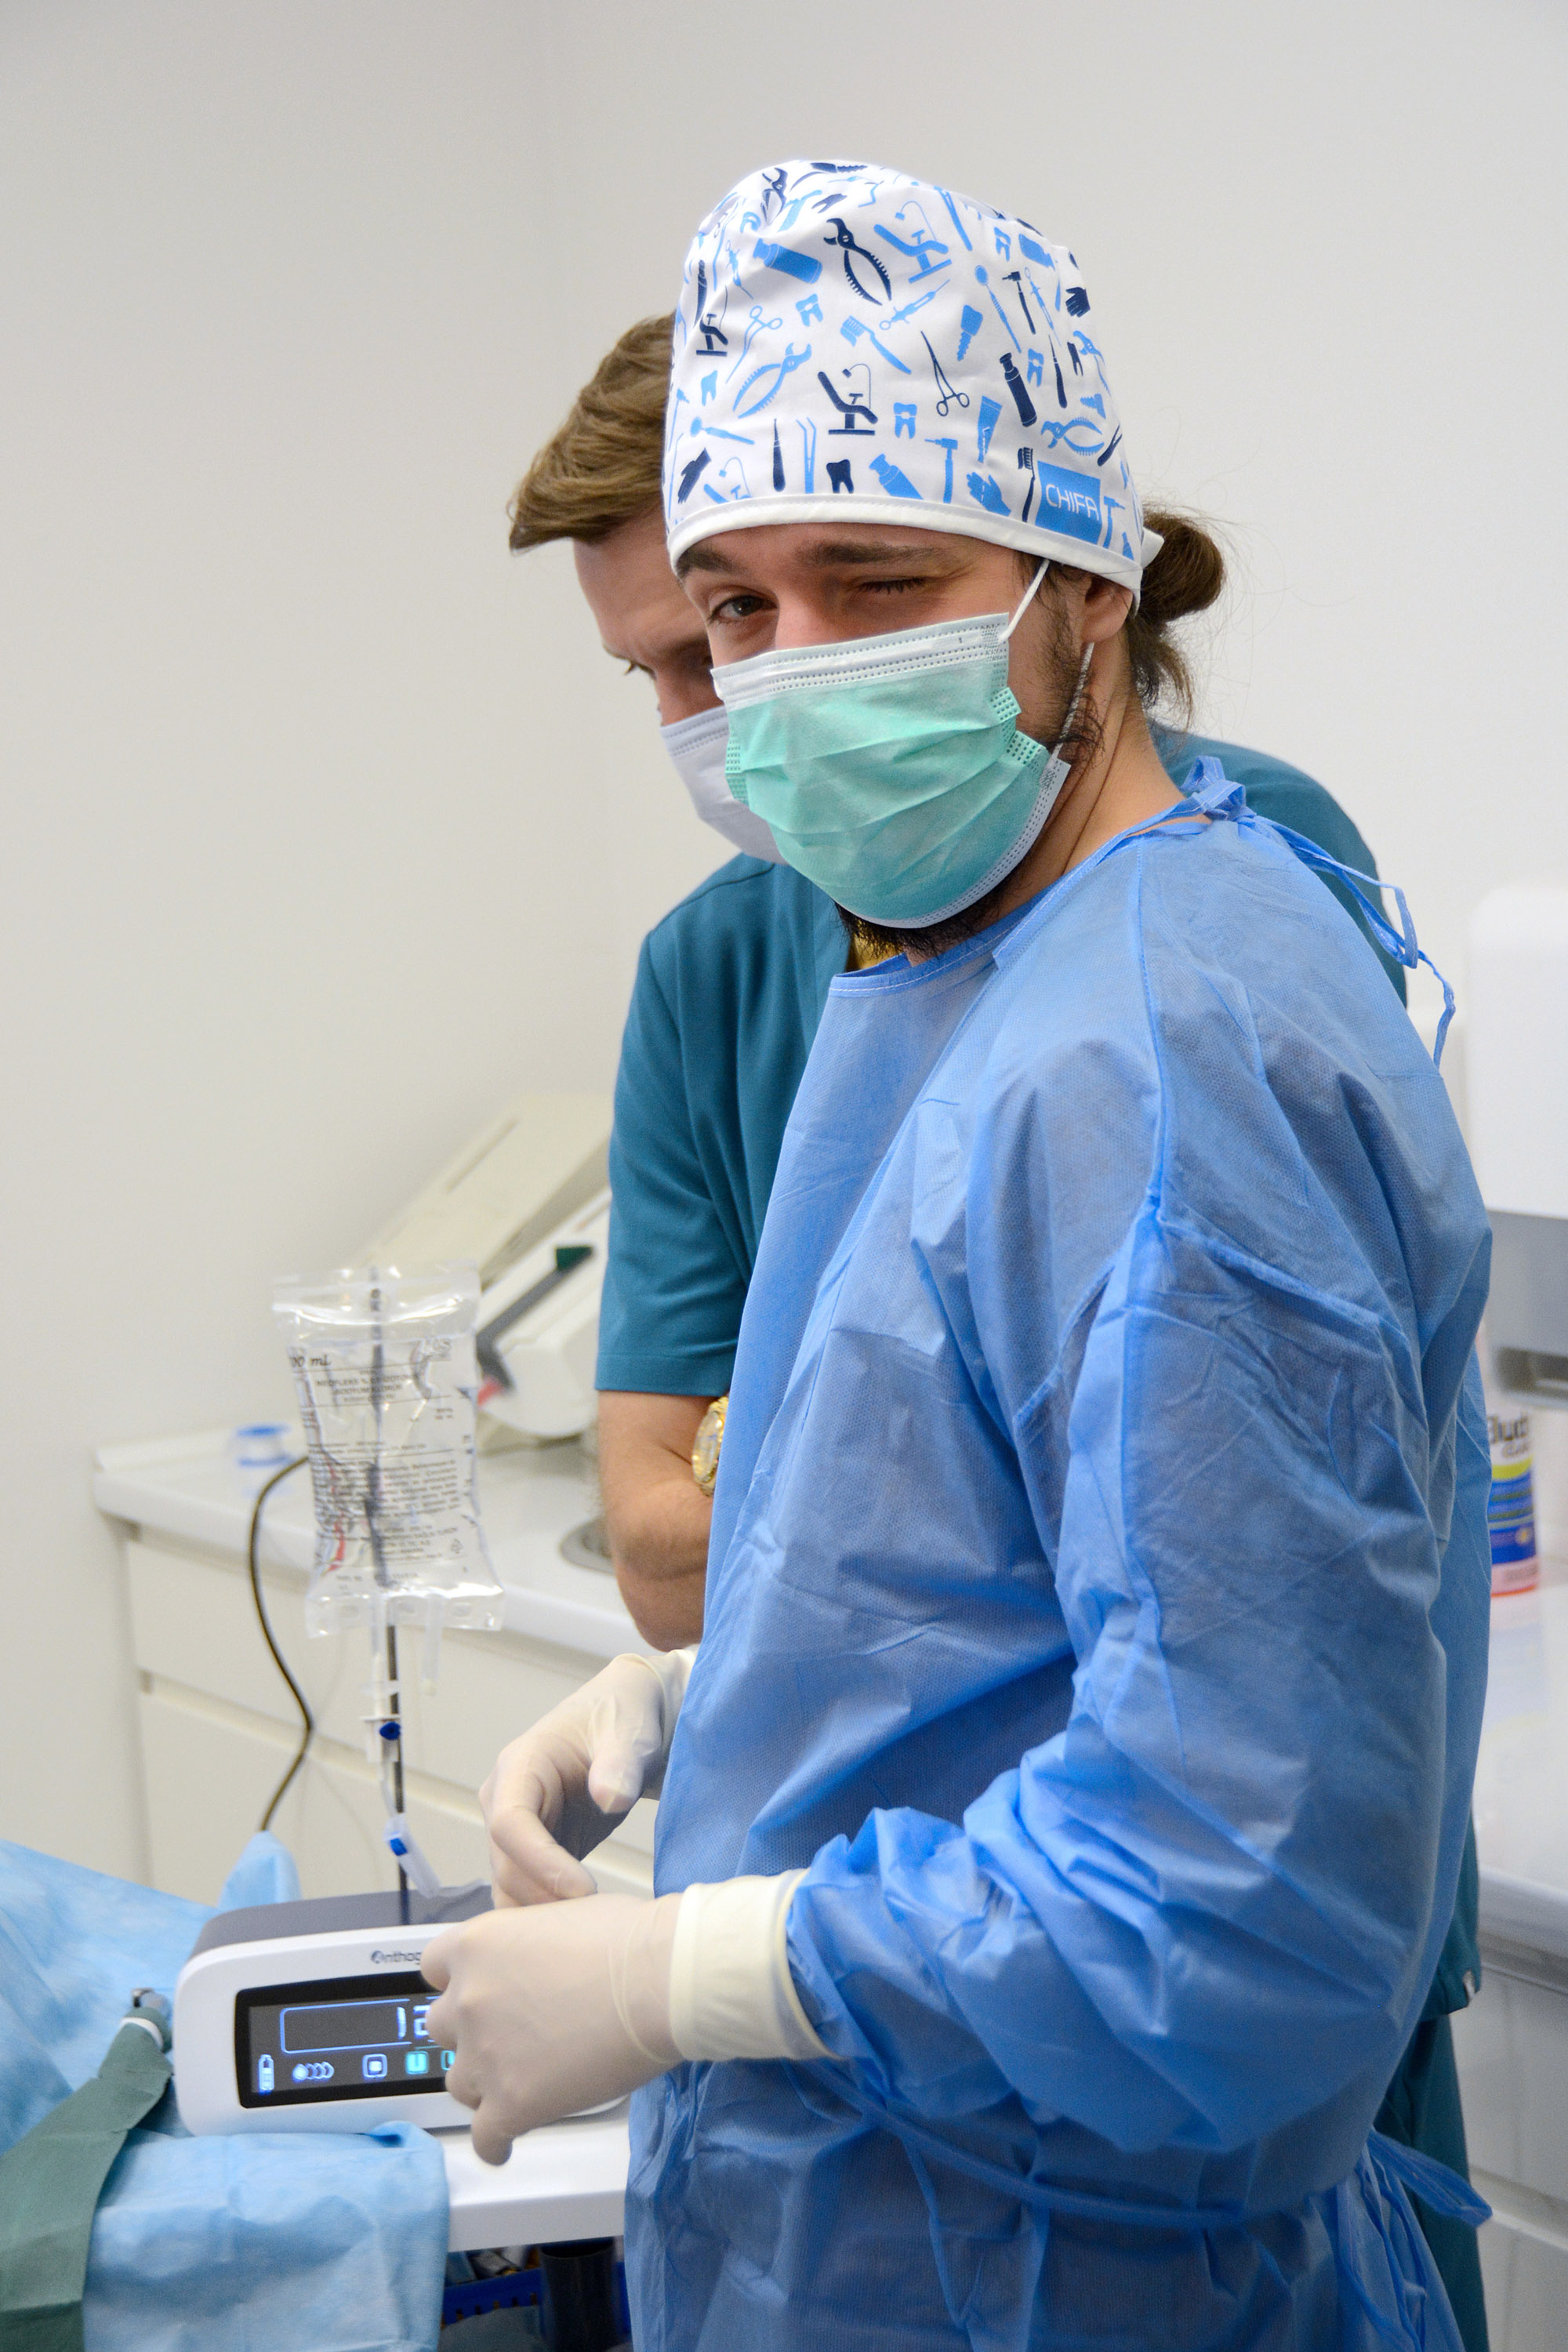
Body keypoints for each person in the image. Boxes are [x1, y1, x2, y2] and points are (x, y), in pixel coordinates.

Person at [427, 167, 1490, 2350]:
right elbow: (1042, 1579)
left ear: (1084, 586)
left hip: (1067, 2263)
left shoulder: (1166, 1055)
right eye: (733, 611)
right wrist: (733, 1695)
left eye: (881, 581)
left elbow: (1241, 1905)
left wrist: (685, 1968)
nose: (792, 675)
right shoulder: (965, 971)